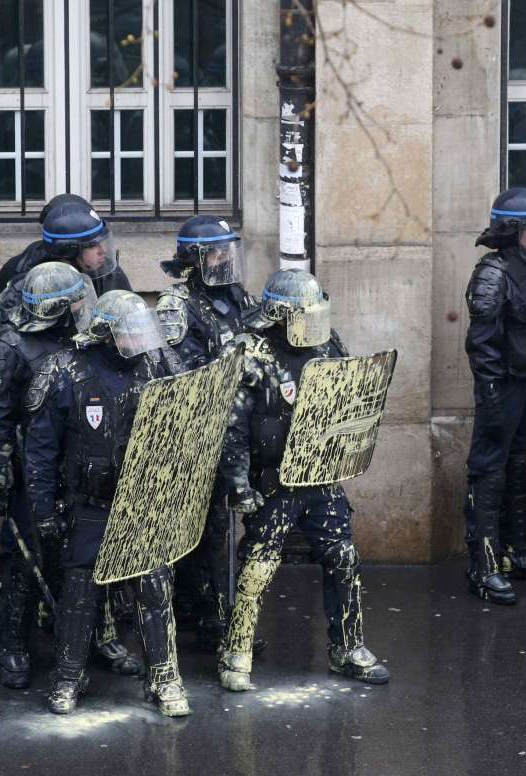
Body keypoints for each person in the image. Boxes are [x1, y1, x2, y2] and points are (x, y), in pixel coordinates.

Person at [215, 269, 389, 692]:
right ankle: (236, 650)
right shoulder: (249, 353)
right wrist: (239, 483)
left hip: (320, 473)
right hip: (273, 481)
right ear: (281, 316)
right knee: (258, 565)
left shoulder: (327, 344)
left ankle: (348, 648)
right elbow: (231, 426)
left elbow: (349, 401)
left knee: (343, 557)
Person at [22, 290, 189, 717]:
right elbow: (40, 451)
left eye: (140, 331)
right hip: (89, 503)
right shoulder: (65, 371)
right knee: (80, 591)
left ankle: (164, 677)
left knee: (154, 585)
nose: (137, 340)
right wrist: (43, 510)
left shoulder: (160, 364)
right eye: (127, 333)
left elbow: (188, 429)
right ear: (105, 333)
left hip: (143, 502)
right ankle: (68, 676)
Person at [0, 262, 141, 688]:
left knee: (92, 558)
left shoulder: (82, 339)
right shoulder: (10, 346)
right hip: (33, 469)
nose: (80, 307)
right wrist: (3, 472)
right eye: (73, 302)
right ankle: (13, 646)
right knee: (28, 561)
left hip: (81, 468)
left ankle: (100, 636)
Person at [156, 215, 256, 648]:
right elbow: (182, 371)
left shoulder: (235, 294)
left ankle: (216, 611)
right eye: (216, 252)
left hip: (234, 428)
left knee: (219, 526)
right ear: (195, 259)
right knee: (195, 526)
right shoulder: (177, 304)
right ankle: (198, 611)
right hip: (195, 430)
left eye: (226, 251)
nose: (224, 259)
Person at [462, 188, 526, 607]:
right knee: (489, 470)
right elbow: (481, 342)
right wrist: (490, 393)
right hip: (502, 385)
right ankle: (483, 567)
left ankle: (516, 552)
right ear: (512, 230)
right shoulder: (494, 273)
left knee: (519, 464)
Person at [0, 198, 131, 346]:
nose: (103, 250)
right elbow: (6, 343)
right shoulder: (24, 279)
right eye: (93, 245)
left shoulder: (103, 268)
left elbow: (129, 320)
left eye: (103, 242)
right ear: (70, 250)